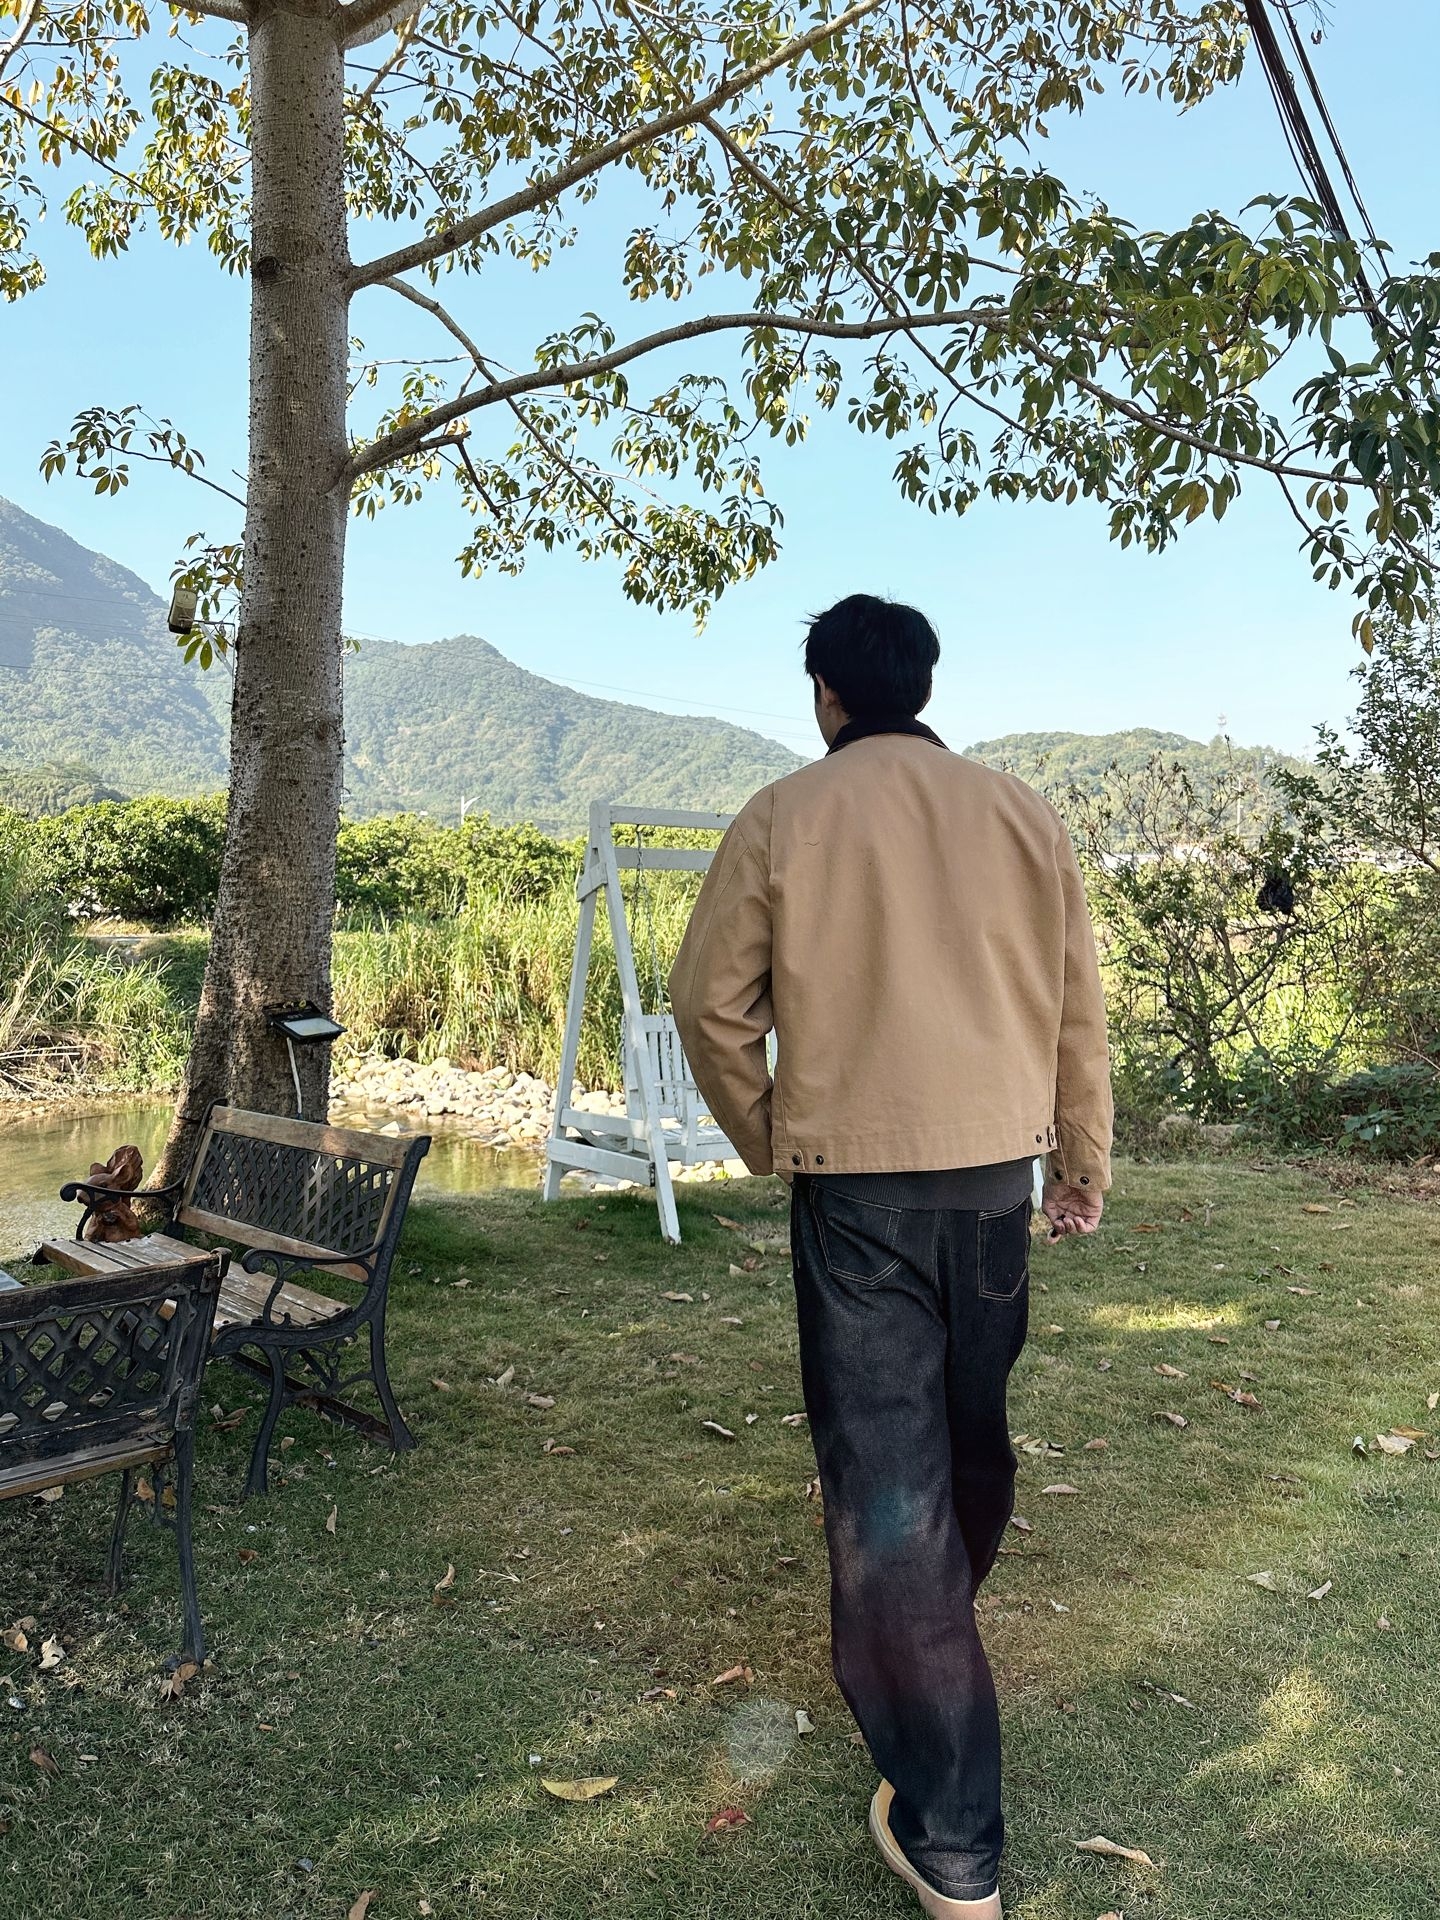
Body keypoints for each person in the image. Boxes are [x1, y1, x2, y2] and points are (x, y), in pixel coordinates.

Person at [669, 593, 1113, 1919]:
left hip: (855, 1195)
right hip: (993, 1195)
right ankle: (929, 1662)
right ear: (922, 684)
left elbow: (709, 1006)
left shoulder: (782, 815)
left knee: (889, 1490)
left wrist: (771, 1137)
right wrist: (1081, 1158)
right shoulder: (1022, 813)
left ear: (826, 693)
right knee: (966, 1451)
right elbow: (1076, 1008)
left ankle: (955, 1840)